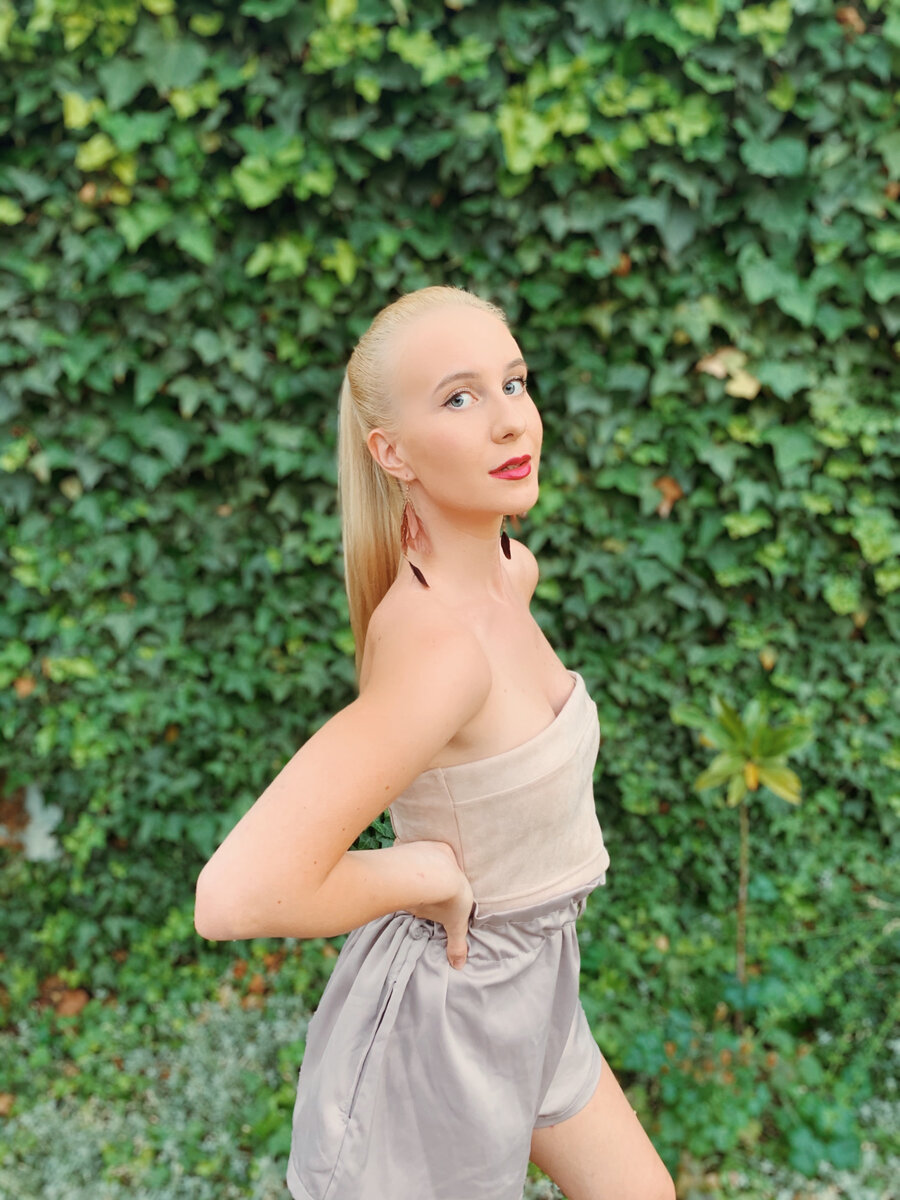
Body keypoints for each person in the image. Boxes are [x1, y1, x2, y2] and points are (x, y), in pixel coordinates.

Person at [194, 285, 675, 1200]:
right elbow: (234, 895)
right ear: (392, 453)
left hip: (537, 985)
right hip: (443, 1020)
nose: (510, 420)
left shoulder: (512, 574)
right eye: (459, 397)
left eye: (514, 383)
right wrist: (422, 872)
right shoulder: (438, 652)